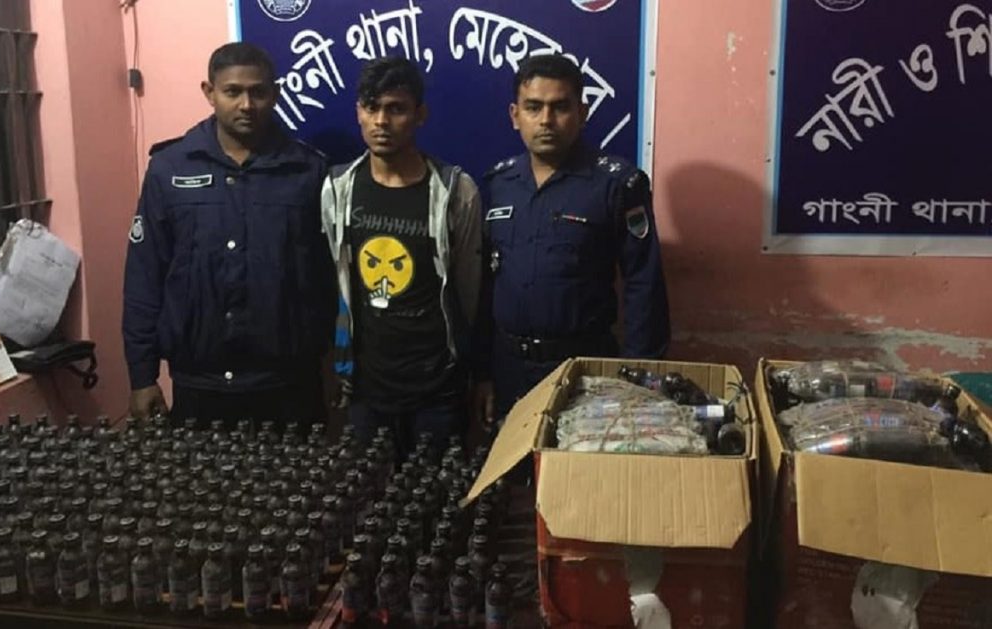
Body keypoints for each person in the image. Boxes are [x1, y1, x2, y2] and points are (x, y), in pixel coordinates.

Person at [123, 42, 335, 428]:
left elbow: (330, 279)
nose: (246, 105)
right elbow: (144, 277)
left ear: (276, 93)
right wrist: (142, 375)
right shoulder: (169, 169)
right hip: (199, 385)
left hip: (290, 385)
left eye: (258, 92)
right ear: (209, 92)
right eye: (232, 91)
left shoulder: (308, 171)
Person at [483, 54, 670, 419]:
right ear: (515, 115)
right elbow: (485, 286)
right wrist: (482, 373)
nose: (546, 120)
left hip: (584, 370)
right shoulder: (499, 184)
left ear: (582, 113)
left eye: (560, 107)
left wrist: (638, 378)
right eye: (533, 107)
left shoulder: (616, 185)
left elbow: (644, 286)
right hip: (509, 370)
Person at [321, 57, 488, 456]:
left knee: (437, 491)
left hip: (437, 389)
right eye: (371, 107)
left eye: (395, 108)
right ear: (358, 112)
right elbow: (336, 283)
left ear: (419, 115)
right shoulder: (337, 189)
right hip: (366, 388)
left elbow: (471, 293)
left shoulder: (455, 192)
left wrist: (473, 370)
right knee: (367, 490)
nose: (381, 121)